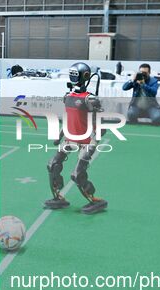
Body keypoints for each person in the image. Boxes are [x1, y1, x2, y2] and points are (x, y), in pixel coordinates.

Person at [43, 62, 108, 215]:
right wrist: (59, 136)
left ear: (85, 76)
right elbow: (67, 119)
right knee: (53, 165)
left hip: (87, 140)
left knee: (77, 174)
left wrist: (94, 141)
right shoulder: (67, 96)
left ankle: (95, 200)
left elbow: (101, 123)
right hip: (70, 138)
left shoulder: (90, 99)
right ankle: (58, 197)